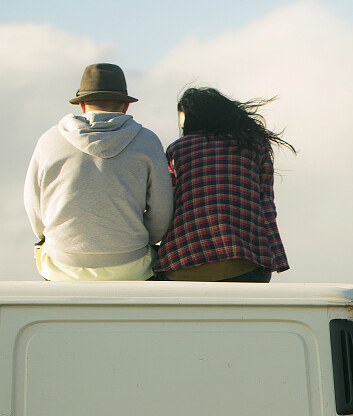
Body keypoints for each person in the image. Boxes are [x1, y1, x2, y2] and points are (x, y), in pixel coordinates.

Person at [24, 63, 173, 281]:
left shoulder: (48, 140)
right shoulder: (147, 141)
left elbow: (34, 207)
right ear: (125, 106)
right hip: (130, 265)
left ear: (82, 105)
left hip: (62, 265)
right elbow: (161, 214)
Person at [154, 87, 293, 282]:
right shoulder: (255, 146)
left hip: (183, 262)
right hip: (247, 262)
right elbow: (266, 205)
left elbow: (166, 207)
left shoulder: (178, 150)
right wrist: (273, 256)